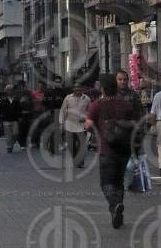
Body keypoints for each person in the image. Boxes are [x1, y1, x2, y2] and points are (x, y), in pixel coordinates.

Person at [85, 73, 137, 229]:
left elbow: (87, 125)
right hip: (124, 148)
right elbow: (134, 122)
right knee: (119, 182)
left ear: (103, 88)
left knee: (106, 183)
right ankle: (118, 206)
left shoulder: (97, 104)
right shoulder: (125, 103)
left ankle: (114, 205)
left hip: (106, 149)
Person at [60, 84, 91, 168]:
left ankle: (80, 161)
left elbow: (90, 111)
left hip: (82, 125)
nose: (78, 89)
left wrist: (87, 119)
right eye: (76, 87)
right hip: (69, 124)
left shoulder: (87, 99)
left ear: (82, 88)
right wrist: (61, 124)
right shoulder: (68, 98)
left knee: (82, 144)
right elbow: (63, 111)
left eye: (79, 87)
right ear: (73, 88)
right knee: (71, 145)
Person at [0, 85, 22, 153]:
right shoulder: (2, 99)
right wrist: (1, 115)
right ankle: (9, 146)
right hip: (6, 119)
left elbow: (19, 109)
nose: (10, 91)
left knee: (16, 133)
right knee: (8, 134)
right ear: (6, 91)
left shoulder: (16, 99)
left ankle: (12, 143)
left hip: (15, 119)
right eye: (8, 90)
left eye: (11, 90)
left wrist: (19, 116)